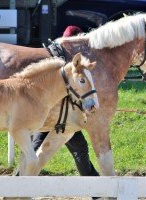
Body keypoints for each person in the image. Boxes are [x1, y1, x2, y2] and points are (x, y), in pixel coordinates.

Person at [32, 25, 100, 199]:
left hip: (52, 116)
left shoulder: (59, 59)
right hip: (60, 118)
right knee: (79, 150)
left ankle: (15, 187)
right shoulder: (69, 65)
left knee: (34, 151)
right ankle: (97, 192)